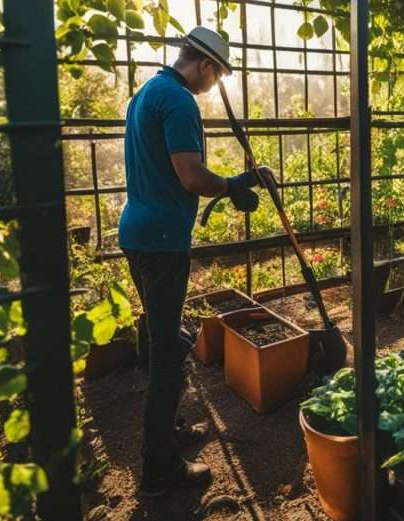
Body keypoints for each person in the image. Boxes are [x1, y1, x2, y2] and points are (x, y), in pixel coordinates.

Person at [118, 26, 272, 497]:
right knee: (168, 351)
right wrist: (234, 184)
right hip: (163, 240)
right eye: (218, 73)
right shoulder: (180, 101)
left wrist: (234, 181)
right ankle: (158, 469)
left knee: (161, 333)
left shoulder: (148, 91)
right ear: (204, 65)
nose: (215, 83)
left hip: (137, 231)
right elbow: (190, 176)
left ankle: (170, 429)